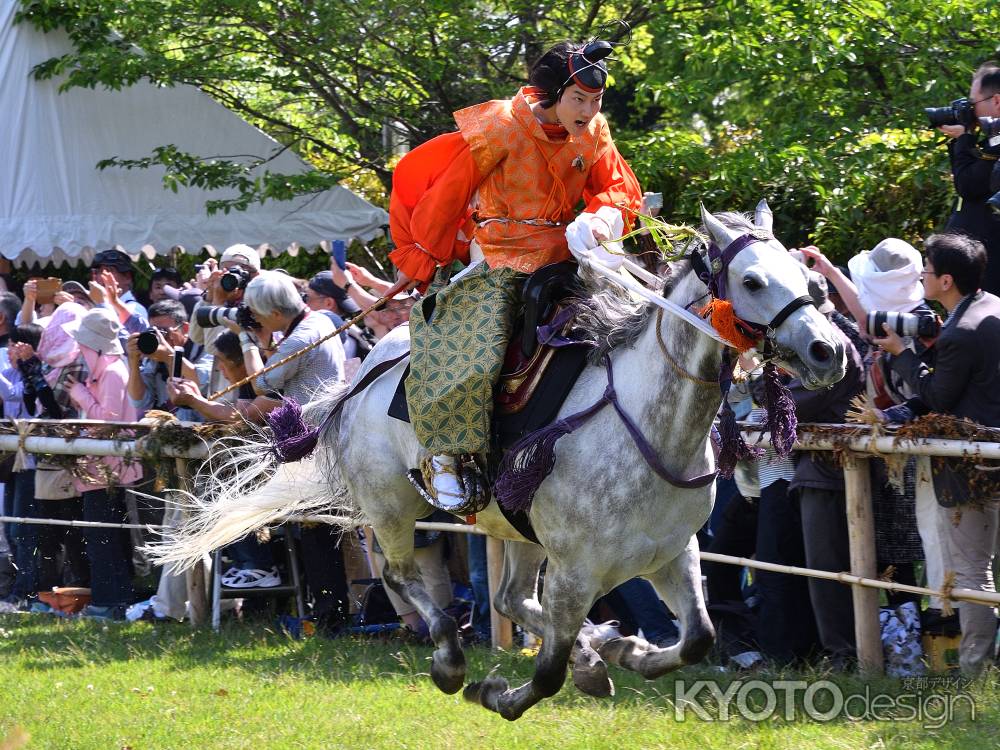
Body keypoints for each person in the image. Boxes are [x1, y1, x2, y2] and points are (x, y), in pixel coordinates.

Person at [387, 39, 642, 511]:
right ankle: (446, 454)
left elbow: (616, 187)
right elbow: (448, 194)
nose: (588, 110)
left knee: (638, 317)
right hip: (501, 257)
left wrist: (603, 217)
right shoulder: (500, 125)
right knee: (478, 336)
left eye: (595, 101)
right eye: (579, 100)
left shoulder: (594, 131)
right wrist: (426, 257)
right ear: (553, 94)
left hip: (572, 254)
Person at [873, 232, 1000, 676]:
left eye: (926, 271)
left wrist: (902, 354)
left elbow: (938, 398)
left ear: (946, 280)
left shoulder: (961, 332)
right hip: (988, 455)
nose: (922, 278)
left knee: (971, 572)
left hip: (973, 470)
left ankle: (975, 672)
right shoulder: (993, 309)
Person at [64, 308, 143, 620]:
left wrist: (80, 394)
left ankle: (110, 603)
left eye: (82, 344)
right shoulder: (105, 370)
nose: (78, 350)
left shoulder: (111, 372)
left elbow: (106, 422)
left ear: (94, 345)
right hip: (103, 471)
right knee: (106, 538)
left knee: (103, 539)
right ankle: (115, 599)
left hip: (109, 472)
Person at [939, 62, 1000, 294]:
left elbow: (969, 185)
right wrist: (963, 139)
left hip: (991, 268)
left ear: (996, 101)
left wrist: (965, 138)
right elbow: (963, 180)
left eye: (973, 104)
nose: (970, 111)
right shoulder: (991, 141)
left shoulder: (997, 144)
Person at [125, 299, 212, 421]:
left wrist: (170, 357)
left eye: (164, 331)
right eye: (155, 331)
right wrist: (133, 361)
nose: (160, 338)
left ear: (185, 329)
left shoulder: (205, 349)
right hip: (169, 431)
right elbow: (139, 401)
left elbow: (200, 382)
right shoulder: (154, 357)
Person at [89, 248, 149, 320]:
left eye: (108, 271)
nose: (102, 277)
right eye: (99, 272)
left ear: (127, 277)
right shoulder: (94, 307)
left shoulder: (135, 310)